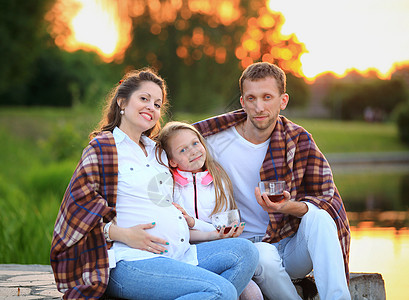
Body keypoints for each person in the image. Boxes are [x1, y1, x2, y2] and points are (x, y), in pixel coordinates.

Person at [50, 68, 259, 299]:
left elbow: (190, 136)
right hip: (132, 261)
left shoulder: (157, 150)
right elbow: (74, 214)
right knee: (223, 290)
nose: (152, 107)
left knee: (246, 252)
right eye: (144, 99)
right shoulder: (104, 148)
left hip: (181, 255)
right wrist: (121, 234)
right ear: (122, 102)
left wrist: (253, 117)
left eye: (158, 104)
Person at [193, 62, 351, 300]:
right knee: (263, 253)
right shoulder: (212, 141)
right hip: (244, 248)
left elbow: (328, 199)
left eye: (267, 97)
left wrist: (287, 207)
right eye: (251, 98)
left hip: (289, 246)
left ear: (283, 100)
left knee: (320, 216)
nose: (259, 107)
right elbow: (171, 151)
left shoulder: (298, 140)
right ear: (242, 101)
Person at [156, 121, 264, 300]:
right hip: (186, 256)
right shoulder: (170, 186)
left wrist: (228, 230)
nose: (193, 151)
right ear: (172, 161)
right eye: (182, 150)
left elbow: (225, 223)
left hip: (219, 252)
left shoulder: (219, 180)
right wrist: (200, 227)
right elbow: (177, 233)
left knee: (252, 292)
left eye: (195, 143)